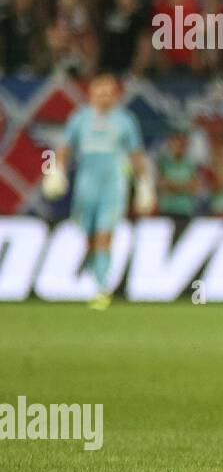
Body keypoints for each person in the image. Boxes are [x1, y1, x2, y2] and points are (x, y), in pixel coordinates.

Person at [46, 75, 154, 309]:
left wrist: (144, 184)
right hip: (86, 186)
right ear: (91, 94)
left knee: (105, 234)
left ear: (115, 95)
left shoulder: (125, 120)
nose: (104, 97)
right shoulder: (80, 119)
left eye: (108, 92)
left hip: (113, 185)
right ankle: (95, 274)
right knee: (88, 235)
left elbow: (136, 154)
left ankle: (102, 288)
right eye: (100, 92)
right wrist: (56, 171)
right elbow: (64, 148)